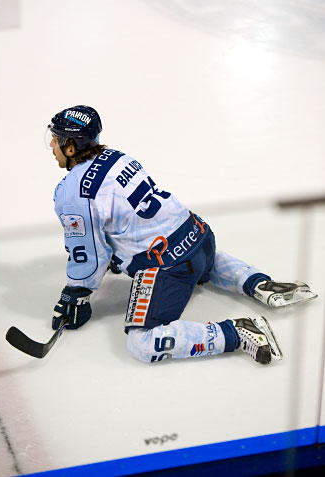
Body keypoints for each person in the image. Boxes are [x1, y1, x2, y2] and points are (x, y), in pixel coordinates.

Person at [47, 105, 317, 365]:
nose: (51, 146)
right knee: (198, 261)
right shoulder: (117, 156)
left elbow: (89, 255)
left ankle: (240, 331)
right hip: (199, 236)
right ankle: (257, 283)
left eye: (56, 139)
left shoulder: (72, 191)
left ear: (71, 147)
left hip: (169, 267)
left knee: (142, 343)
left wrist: (76, 294)